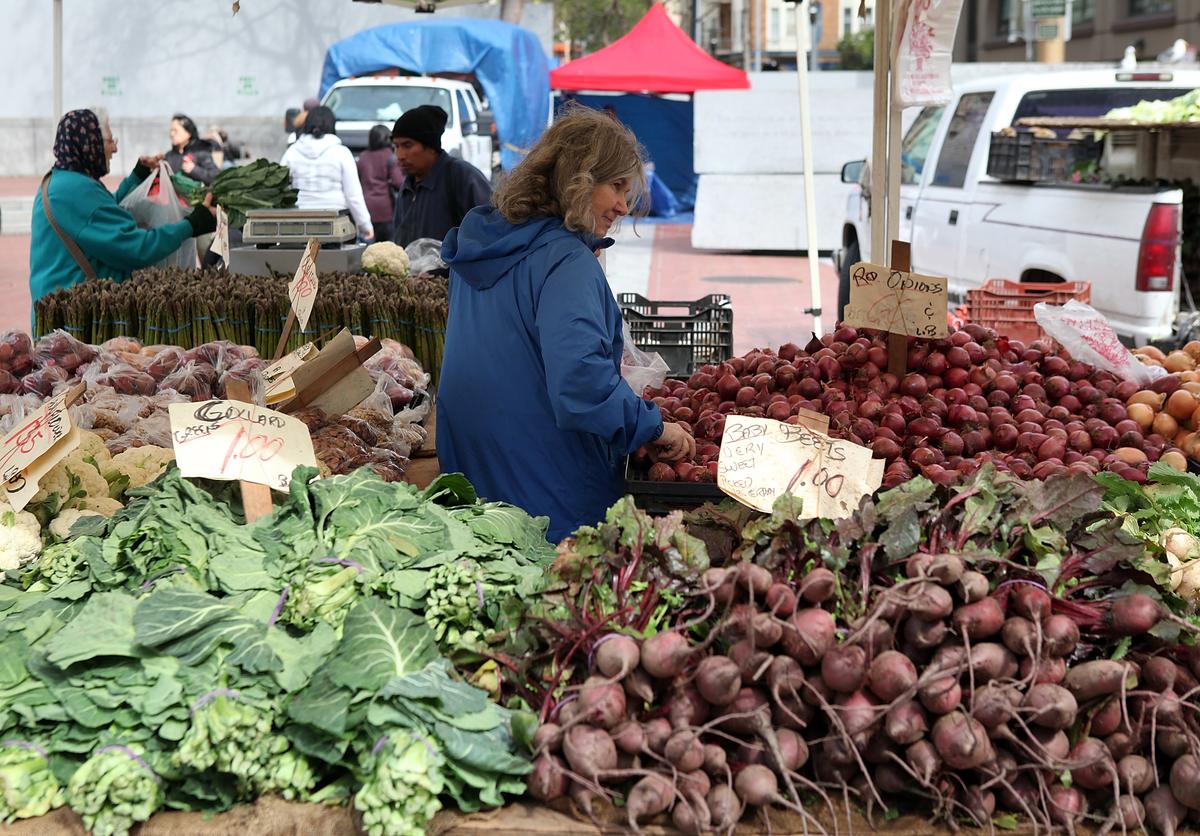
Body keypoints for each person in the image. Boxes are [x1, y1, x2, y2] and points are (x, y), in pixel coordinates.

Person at [437, 106, 695, 542]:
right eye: (616, 187)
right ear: (580, 178)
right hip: (547, 491)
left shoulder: (482, 246)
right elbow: (582, 383)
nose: (622, 206)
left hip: (477, 481)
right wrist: (650, 426)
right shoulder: (564, 261)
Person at [29, 108, 216, 305]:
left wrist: (137, 176)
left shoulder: (61, 180)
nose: (115, 149)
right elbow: (137, 248)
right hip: (73, 313)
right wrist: (191, 225)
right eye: (110, 141)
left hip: (60, 305)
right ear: (89, 144)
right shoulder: (77, 191)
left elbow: (102, 212)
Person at [390, 105, 492, 246]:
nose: (400, 155)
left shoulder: (461, 176)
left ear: (431, 147)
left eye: (407, 145)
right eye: (396, 146)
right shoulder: (407, 187)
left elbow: (491, 231)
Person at [280, 106, 373, 242]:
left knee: (305, 256)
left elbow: (281, 187)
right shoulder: (342, 153)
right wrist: (365, 224)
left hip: (299, 224)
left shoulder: (291, 152)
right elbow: (353, 195)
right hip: (337, 225)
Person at [357, 124, 405, 242]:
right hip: (385, 211)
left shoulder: (363, 157)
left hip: (366, 209)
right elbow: (398, 182)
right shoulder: (390, 156)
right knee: (388, 248)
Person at [165, 114, 219, 185]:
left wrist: (194, 169)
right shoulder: (169, 155)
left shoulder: (200, 152)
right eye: (171, 130)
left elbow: (215, 177)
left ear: (188, 133)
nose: (171, 134)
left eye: (175, 130)